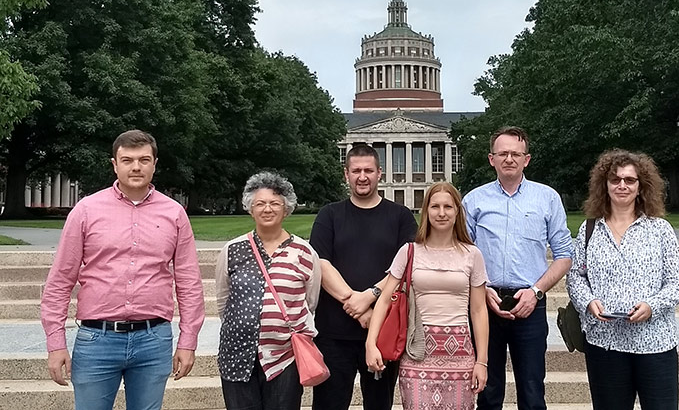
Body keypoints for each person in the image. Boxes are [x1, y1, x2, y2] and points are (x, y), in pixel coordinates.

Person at [40, 129, 205, 410]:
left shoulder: (174, 213)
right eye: (127, 160)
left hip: (153, 340)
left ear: (155, 164)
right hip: (97, 340)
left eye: (144, 160)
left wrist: (188, 341)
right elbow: (60, 281)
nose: (136, 167)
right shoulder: (86, 211)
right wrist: (56, 344)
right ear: (115, 165)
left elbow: (189, 283)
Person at [462, 126, 574, 410]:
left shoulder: (547, 198)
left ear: (527, 159)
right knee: (488, 391)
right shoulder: (474, 200)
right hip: (486, 303)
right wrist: (481, 289)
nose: (509, 158)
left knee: (532, 390)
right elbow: (462, 253)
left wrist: (536, 291)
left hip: (530, 303)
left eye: (516, 153)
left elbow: (564, 255)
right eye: (503, 153)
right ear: (491, 159)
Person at [566, 150, 679, 410]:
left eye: (630, 180)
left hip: (655, 342)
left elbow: (677, 283)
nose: (622, 185)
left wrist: (652, 306)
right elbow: (576, 277)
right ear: (605, 185)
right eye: (615, 179)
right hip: (605, 344)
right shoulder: (589, 231)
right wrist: (588, 301)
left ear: (641, 186)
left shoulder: (660, 230)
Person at [310, 144, 417, 410]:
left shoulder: (401, 216)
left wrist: (372, 296)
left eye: (368, 170)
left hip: (384, 332)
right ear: (346, 174)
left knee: (379, 405)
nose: (362, 176)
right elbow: (321, 265)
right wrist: (358, 309)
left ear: (380, 173)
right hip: (333, 333)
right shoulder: (330, 215)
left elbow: (406, 267)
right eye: (356, 170)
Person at [365, 182, 490, 410]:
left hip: (460, 354)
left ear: (457, 211)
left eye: (448, 207)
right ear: (426, 211)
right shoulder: (409, 251)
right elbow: (384, 299)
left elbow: (479, 310)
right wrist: (370, 344)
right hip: (417, 352)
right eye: (435, 207)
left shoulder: (472, 255)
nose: (441, 213)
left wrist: (482, 361)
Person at [215, 171, 321, 410]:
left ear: (286, 209)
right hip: (237, 354)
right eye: (260, 203)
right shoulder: (232, 249)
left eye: (275, 203)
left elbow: (309, 301)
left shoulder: (304, 252)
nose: (267, 209)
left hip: (285, 356)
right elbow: (223, 301)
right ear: (250, 208)